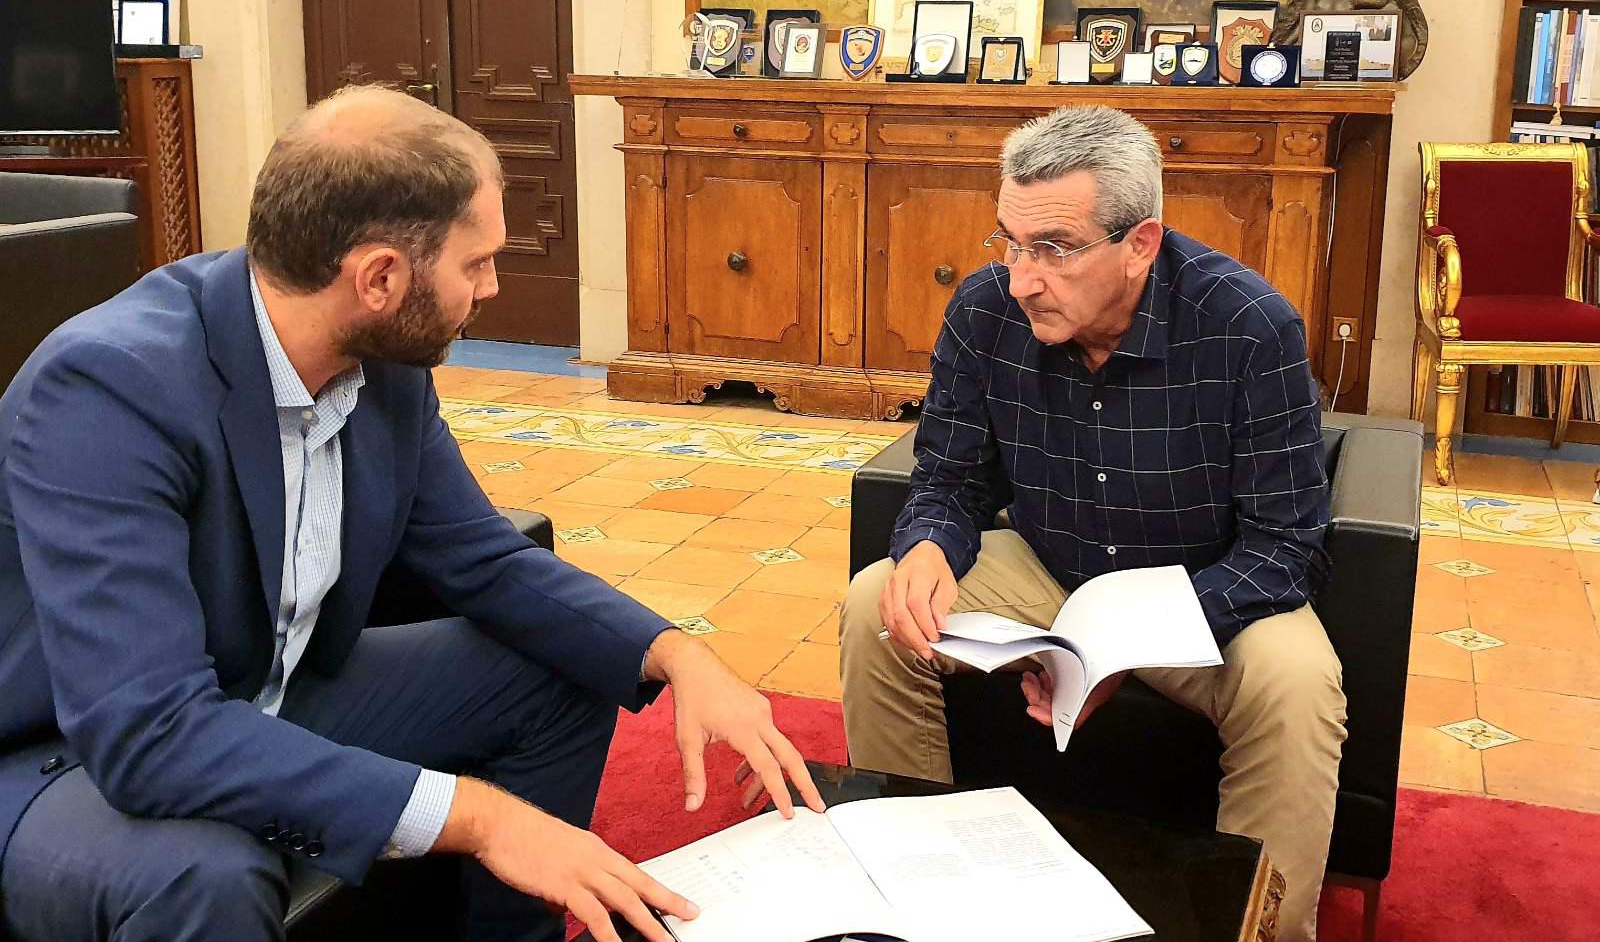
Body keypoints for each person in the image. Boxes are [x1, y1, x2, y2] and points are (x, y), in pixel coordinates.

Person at [0, 85, 823, 942]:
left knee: (561, 672)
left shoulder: (380, 362)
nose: (492, 286)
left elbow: (483, 557)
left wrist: (677, 654)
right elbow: (147, 732)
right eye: (476, 264)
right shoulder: (110, 388)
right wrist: (483, 819)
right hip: (63, 751)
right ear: (381, 278)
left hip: (264, 688)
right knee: (204, 877)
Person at [840, 105, 1346, 942]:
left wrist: (1121, 643)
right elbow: (951, 477)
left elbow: (1286, 547)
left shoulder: (1250, 326)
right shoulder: (984, 310)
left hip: (1202, 593)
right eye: (1010, 243)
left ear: (1140, 244)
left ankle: (1260, 929)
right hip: (1049, 568)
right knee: (876, 603)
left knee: (1297, 683)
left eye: (1054, 249)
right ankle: (914, 893)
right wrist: (926, 543)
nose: (1022, 279)